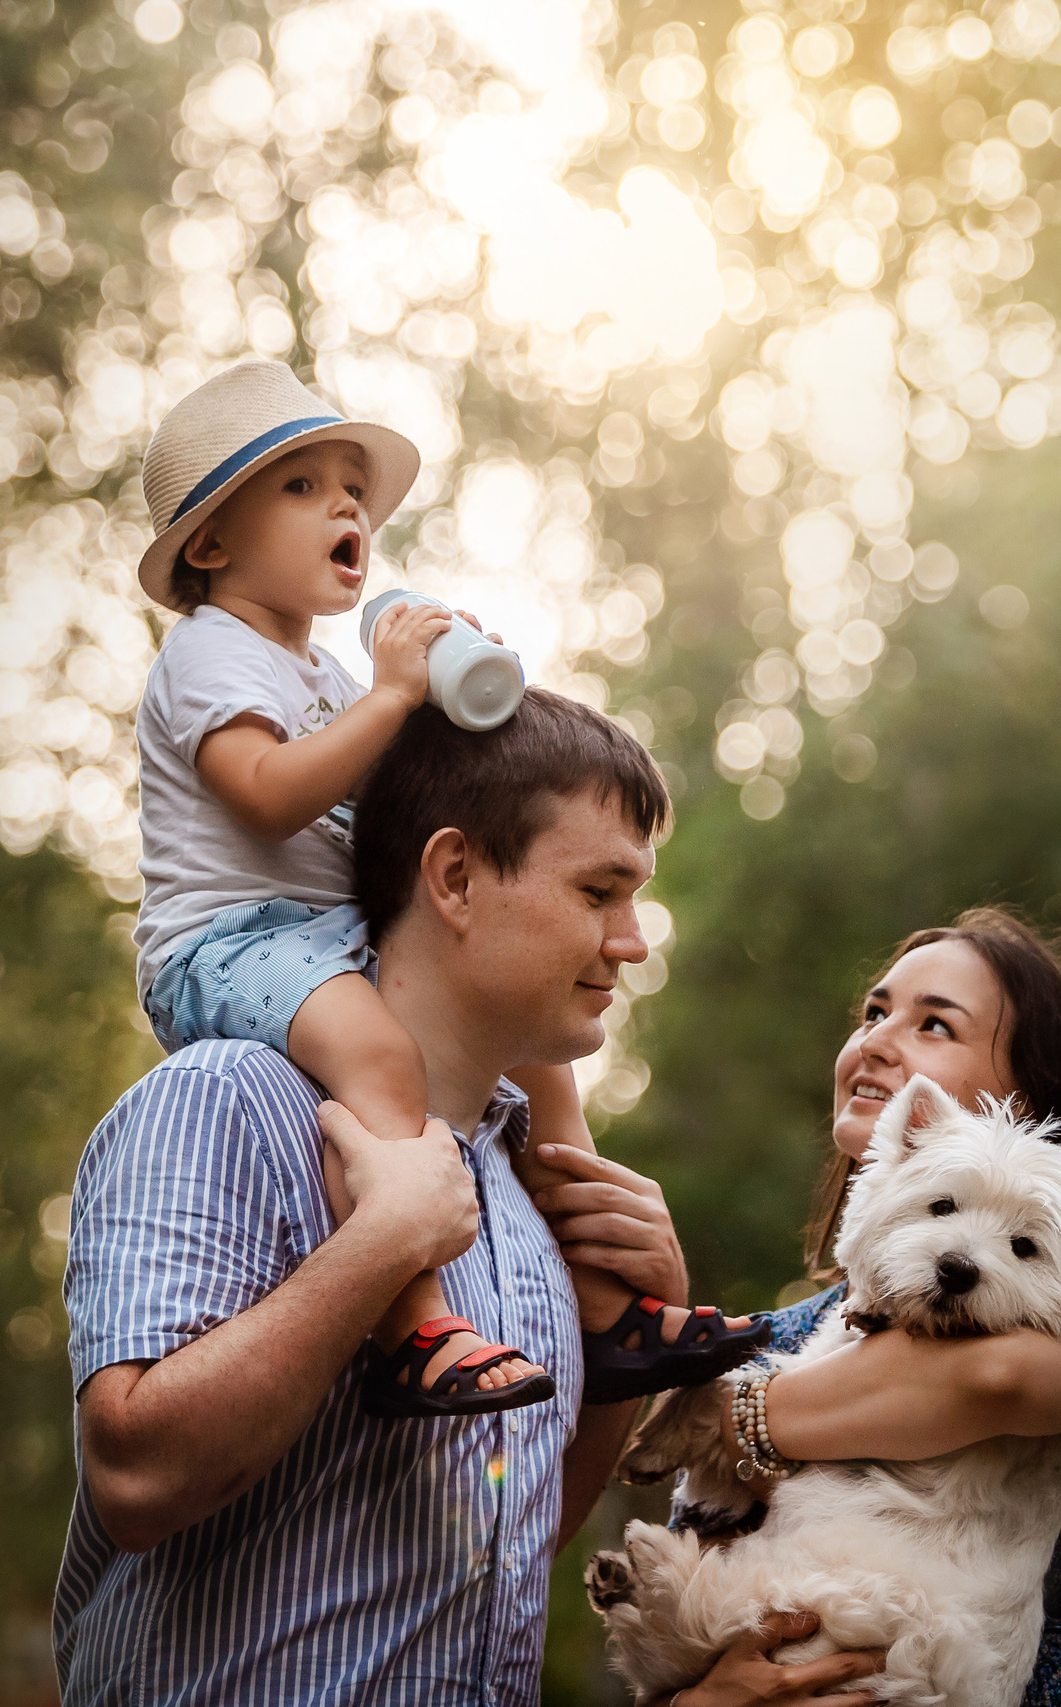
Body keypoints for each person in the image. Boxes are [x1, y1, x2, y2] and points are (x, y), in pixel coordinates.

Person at [60, 688, 749, 1701]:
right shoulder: (224, 1104)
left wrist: (620, 1362)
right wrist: (379, 1247)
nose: (634, 941)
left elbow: (502, 1548)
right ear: (457, 876)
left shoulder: (529, 1190)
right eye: (600, 892)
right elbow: (134, 1480)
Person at [128, 358, 761, 1413]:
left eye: (353, 489)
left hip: (318, 936)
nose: (346, 504)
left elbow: (407, 795)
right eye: (302, 486)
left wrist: (470, 709)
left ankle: (607, 1305)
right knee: (378, 1054)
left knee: (538, 1056)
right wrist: (388, 698)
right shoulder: (209, 654)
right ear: (210, 544)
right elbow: (273, 795)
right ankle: (413, 1325)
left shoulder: (325, 675)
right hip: (226, 943)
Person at [574, 908, 1061, 1707]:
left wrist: (726, 1412)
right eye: (874, 1012)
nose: (876, 1040)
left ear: (1033, 1096)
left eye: (935, 1023)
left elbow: (998, 1377)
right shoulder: (793, 1330)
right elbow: (687, 1563)